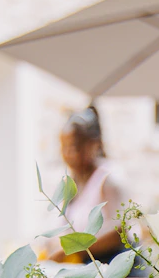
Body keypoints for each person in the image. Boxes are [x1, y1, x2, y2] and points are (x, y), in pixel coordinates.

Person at [40, 107, 127, 262]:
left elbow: (119, 232)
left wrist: (75, 249)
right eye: (64, 147)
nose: (68, 153)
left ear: (94, 144)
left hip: (108, 267)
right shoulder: (70, 183)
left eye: (74, 147)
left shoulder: (107, 179)